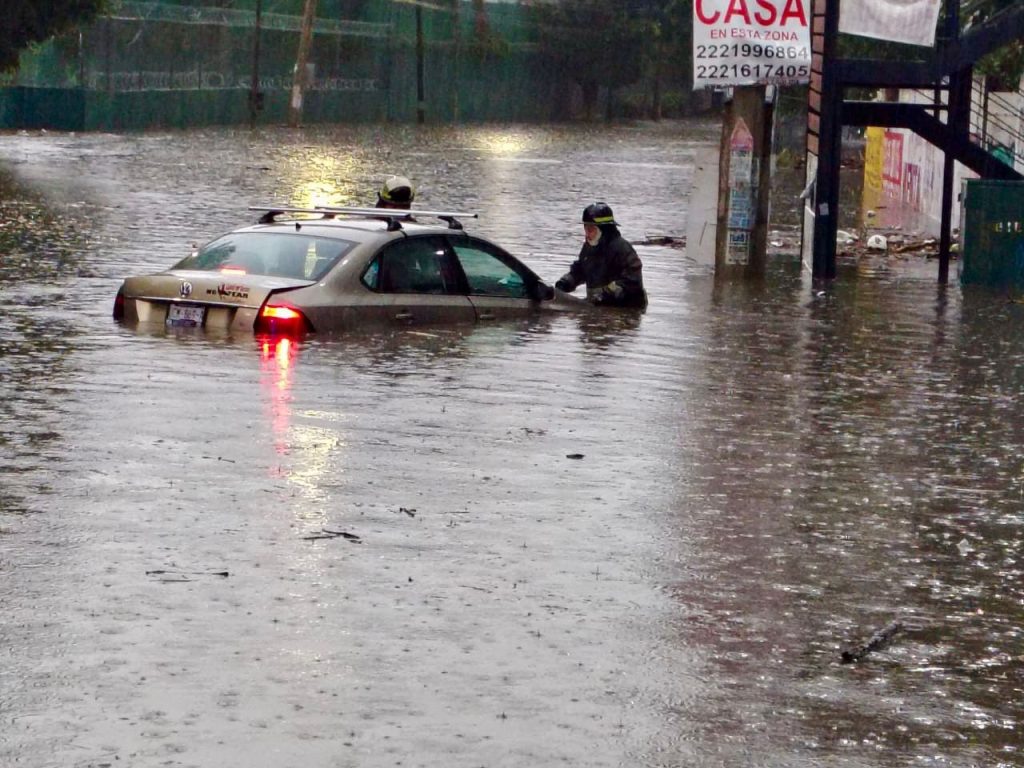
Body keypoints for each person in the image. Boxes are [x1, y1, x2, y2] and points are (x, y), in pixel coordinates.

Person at [555, 202, 647, 308]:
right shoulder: (589, 246)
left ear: (604, 230)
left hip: (627, 309)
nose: (587, 234)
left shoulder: (622, 249)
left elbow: (633, 282)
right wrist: (565, 283)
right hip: (598, 307)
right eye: (585, 229)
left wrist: (605, 295)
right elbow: (580, 270)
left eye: (591, 229)